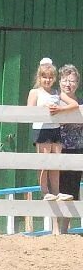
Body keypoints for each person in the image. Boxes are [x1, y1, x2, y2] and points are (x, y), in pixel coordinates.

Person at [27, 57, 76, 201]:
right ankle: (45, 191)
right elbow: (28, 111)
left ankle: (56, 191)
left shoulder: (57, 93)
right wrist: (42, 109)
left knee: (56, 162)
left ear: (54, 79)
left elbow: (73, 103)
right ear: (39, 77)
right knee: (44, 161)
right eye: (44, 77)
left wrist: (60, 109)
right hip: (41, 129)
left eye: (50, 77)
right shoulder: (35, 92)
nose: (47, 80)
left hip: (55, 129)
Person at [55, 64, 83, 202]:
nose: (68, 84)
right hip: (57, 149)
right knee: (56, 192)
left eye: (72, 81)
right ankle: (55, 225)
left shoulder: (81, 102)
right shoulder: (53, 100)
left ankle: (65, 225)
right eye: (65, 80)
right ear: (59, 82)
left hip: (77, 150)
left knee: (71, 192)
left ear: (77, 84)